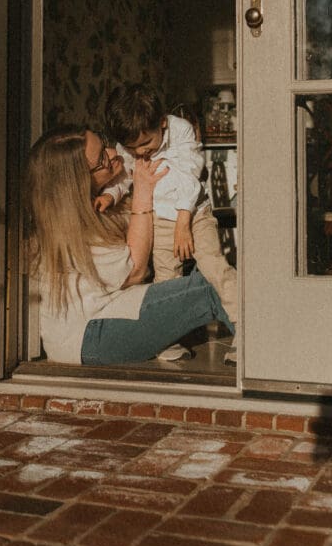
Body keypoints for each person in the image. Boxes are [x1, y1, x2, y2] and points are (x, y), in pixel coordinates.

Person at [24, 124, 235, 366]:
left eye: (104, 143)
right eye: (102, 157)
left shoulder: (101, 201)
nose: (114, 153)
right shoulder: (66, 227)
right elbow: (134, 271)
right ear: (78, 182)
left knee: (211, 270)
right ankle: (260, 355)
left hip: (114, 308)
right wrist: (143, 191)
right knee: (213, 286)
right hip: (90, 334)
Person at [101, 83, 237, 363]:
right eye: (132, 147)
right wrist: (109, 195)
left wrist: (183, 223)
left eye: (146, 144)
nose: (140, 153)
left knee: (214, 267)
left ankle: (246, 329)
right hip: (159, 218)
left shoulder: (180, 130)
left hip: (193, 215)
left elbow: (190, 175)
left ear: (161, 123)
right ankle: (168, 338)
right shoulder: (129, 145)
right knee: (166, 278)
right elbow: (125, 177)